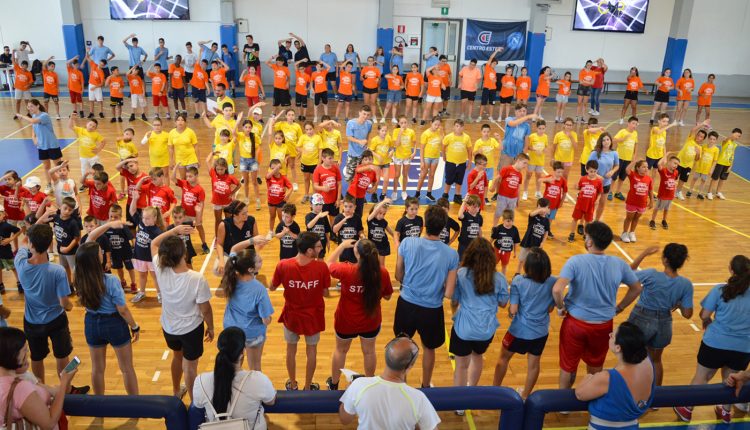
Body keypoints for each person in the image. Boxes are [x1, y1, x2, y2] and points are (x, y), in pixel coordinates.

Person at [552, 221, 642, 390]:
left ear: (589, 242)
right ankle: (590, 396)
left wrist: (560, 307)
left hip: (575, 324)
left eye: (586, 237)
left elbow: (557, 289)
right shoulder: (619, 263)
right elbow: (636, 288)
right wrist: (620, 307)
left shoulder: (575, 261)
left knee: (568, 365)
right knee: (595, 366)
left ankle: (563, 405)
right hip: (603, 326)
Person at [674, 255, 750, 424]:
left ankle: (687, 409)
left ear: (731, 269)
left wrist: (707, 320)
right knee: (731, 380)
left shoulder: (720, 290)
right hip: (743, 347)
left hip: (714, 343)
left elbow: (704, 314)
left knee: (702, 377)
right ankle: (725, 411)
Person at [394, 205, 459, 388]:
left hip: (406, 305)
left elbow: (398, 276)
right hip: (431, 310)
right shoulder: (452, 254)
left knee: (402, 346)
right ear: (443, 228)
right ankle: (425, 384)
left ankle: (402, 385)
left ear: (424, 225)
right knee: (429, 348)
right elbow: (448, 293)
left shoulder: (407, 243)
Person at [151, 226, 214, 401]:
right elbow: (205, 309)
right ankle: (194, 402)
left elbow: (154, 243)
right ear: (184, 255)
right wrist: (211, 327)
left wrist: (174, 230)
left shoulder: (160, 267)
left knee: (177, 357)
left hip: (169, 328)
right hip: (191, 330)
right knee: (190, 367)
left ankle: (176, 391)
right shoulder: (196, 278)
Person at [325, 239, 393, 390]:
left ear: (356, 254)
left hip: (346, 321)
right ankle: (369, 385)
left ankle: (334, 384)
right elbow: (388, 296)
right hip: (371, 320)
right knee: (369, 352)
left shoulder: (346, 270)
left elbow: (327, 265)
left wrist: (341, 246)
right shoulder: (382, 272)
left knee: (340, 350)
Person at [74, 240, 139, 395]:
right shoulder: (111, 280)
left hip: (91, 322)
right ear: (96, 259)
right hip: (114, 324)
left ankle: (99, 406)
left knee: (97, 369)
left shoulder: (78, 276)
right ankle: (134, 406)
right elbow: (122, 310)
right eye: (100, 252)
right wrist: (134, 326)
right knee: (127, 368)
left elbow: (84, 248)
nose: (102, 253)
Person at [451, 238, 508, 411]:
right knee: (477, 358)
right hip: (486, 329)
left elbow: (454, 300)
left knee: (461, 365)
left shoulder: (461, 274)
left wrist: (455, 313)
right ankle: (470, 393)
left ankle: (458, 404)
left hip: (464, 329)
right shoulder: (499, 278)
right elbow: (504, 303)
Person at [339, 335, 441, 429]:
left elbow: (344, 419)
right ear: (410, 367)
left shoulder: (358, 385)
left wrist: (349, 392)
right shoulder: (418, 399)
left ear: (385, 356)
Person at [626, 244, 693, 388]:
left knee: (631, 357)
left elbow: (627, 272)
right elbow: (687, 314)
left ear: (665, 260)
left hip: (641, 318)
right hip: (664, 323)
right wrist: (679, 303)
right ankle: (656, 398)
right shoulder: (686, 284)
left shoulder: (651, 274)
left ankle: (632, 394)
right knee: (656, 360)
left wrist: (644, 253)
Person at [271, 232, 331, 391]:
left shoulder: (283, 265)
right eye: (318, 246)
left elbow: (272, 287)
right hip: (313, 317)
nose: (321, 248)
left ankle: (292, 384)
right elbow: (326, 293)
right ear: (310, 251)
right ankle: (307, 386)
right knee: (311, 351)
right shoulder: (321, 267)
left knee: (291, 350)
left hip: (292, 316)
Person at [15, 224, 74, 383]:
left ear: (31, 244)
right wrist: (70, 306)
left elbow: (24, 242)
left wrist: (37, 222)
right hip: (56, 321)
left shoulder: (20, 263)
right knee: (62, 356)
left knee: (36, 357)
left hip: (32, 322)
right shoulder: (58, 271)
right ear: (49, 244)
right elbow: (64, 303)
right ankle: (66, 390)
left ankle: (40, 390)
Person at [494, 247, 556, 399]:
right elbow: (549, 309)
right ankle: (525, 396)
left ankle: (494, 392)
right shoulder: (553, 281)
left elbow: (513, 310)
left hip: (518, 331)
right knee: (534, 365)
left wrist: (510, 311)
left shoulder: (518, 281)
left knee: (503, 359)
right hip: (540, 332)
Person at [575, 322, 655, 429]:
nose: (609, 335)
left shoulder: (607, 378)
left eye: (612, 335)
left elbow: (580, 394)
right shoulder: (648, 364)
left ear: (618, 348)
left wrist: (589, 377)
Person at [193, 327, 276, 428]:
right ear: (242, 353)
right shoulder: (259, 380)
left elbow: (198, 405)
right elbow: (271, 401)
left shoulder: (200, 382)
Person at [0, 326, 77, 429]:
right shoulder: (20, 388)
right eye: (24, 350)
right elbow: (49, 423)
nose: (27, 352)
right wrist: (64, 382)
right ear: (13, 355)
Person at [221, 239, 273, 371]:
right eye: (258, 260)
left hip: (231, 329)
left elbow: (233, 248)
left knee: (234, 364)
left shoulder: (232, 271)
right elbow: (266, 320)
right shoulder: (259, 289)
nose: (260, 259)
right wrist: (269, 318)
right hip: (252, 333)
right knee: (255, 368)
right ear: (251, 269)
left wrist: (252, 240)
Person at [16, 99, 62, 190]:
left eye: (31, 106)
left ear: (37, 106)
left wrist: (21, 116)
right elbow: (34, 127)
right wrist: (33, 137)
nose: (30, 108)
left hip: (52, 145)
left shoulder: (44, 115)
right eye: (28, 107)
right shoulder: (33, 116)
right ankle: (49, 185)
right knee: (46, 167)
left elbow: (33, 121)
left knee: (58, 166)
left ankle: (61, 184)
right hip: (41, 146)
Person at [215, 200, 258, 274]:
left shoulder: (251, 220)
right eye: (243, 214)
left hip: (246, 254)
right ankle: (229, 277)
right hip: (230, 254)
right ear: (235, 215)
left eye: (247, 212)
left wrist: (255, 256)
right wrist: (221, 261)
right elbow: (219, 244)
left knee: (246, 273)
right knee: (217, 269)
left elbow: (256, 240)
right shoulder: (224, 225)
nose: (247, 215)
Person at [441, 119, 473, 204]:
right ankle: (445, 195)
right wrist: (444, 156)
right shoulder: (449, 137)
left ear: (463, 128)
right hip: (451, 162)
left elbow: (470, 151)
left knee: (459, 180)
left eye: (461, 126)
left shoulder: (466, 138)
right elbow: (443, 147)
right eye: (457, 126)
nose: (459, 128)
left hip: (462, 163)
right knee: (448, 180)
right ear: (453, 127)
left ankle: (457, 195)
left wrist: (469, 162)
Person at [708, 128, 742, 200]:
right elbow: (725, 140)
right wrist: (732, 136)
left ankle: (718, 192)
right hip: (720, 163)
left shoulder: (735, 145)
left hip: (727, 164)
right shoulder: (726, 141)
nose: (737, 137)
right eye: (737, 135)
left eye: (739, 136)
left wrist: (731, 165)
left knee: (722, 179)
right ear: (733, 133)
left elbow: (732, 155)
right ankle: (709, 192)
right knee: (715, 178)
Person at [499, 104, 536, 168]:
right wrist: (527, 117)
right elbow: (513, 124)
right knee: (502, 173)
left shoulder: (527, 126)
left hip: (518, 155)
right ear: (515, 112)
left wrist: (523, 154)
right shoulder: (509, 119)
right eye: (520, 111)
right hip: (506, 153)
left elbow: (526, 141)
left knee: (514, 174)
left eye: (524, 111)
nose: (522, 113)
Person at [343, 105, 374, 182]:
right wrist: (359, 141)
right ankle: (350, 193)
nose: (365, 116)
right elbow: (349, 137)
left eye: (368, 115)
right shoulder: (351, 123)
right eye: (364, 114)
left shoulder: (369, 123)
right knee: (349, 177)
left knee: (362, 176)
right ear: (359, 113)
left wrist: (366, 142)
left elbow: (368, 134)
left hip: (363, 155)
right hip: (352, 154)